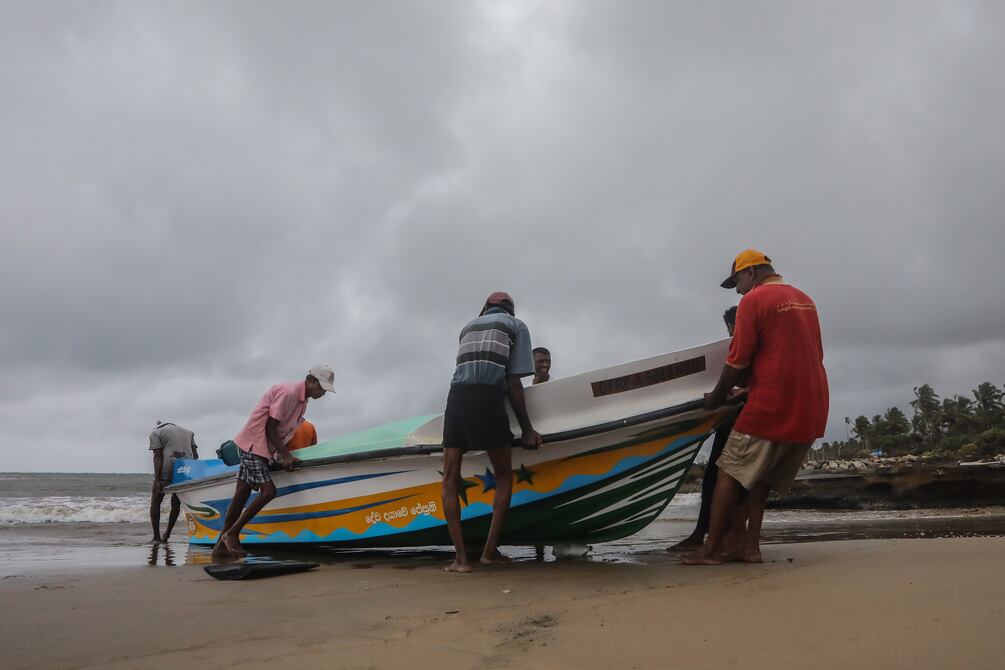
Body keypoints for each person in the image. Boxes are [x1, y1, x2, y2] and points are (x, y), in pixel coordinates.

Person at [685, 250, 828, 565]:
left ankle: (711, 550)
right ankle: (750, 548)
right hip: (812, 405)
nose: (737, 290)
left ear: (750, 272)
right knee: (760, 478)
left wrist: (716, 397)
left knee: (727, 471)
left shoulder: (753, 300)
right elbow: (804, 354)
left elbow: (737, 361)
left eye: (737, 281)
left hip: (772, 405)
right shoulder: (805, 299)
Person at [441, 292, 543, 573]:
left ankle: (461, 560)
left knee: (449, 479)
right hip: (489, 398)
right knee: (504, 477)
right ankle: (489, 553)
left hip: (457, 399)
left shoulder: (467, 327)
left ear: (485, 307)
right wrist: (527, 430)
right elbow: (513, 382)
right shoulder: (516, 325)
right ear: (511, 310)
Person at [213, 366, 335, 558]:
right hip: (253, 444)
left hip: (262, 449)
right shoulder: (289, 392)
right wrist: (286, 455)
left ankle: (220, 545)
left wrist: (278, 455)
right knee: (269, 491)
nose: (322, 393)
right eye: (321, 388)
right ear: (310, 380)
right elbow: (270, 428)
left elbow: (282, 432)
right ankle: (232, 534)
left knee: (242, 493)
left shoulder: (302, 402)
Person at [668, 307, 747, 551]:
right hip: (731, 419)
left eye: (730, 328)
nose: (730, 333)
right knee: (722, 479)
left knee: (724, 479)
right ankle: (716, 534)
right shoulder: (743, 346)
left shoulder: (745, 345)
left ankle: (719, 536)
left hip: (741, 421)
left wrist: (722, 396)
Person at [148, 420, 198, 543]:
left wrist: (157, 480)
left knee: (156, 500)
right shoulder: (189, 432)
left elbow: (158, 456)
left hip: (168, 467)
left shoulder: (156, 433)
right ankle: (167, 535)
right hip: (186, 467)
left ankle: (156, 537)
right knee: (176, 503)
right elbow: (195, 456)